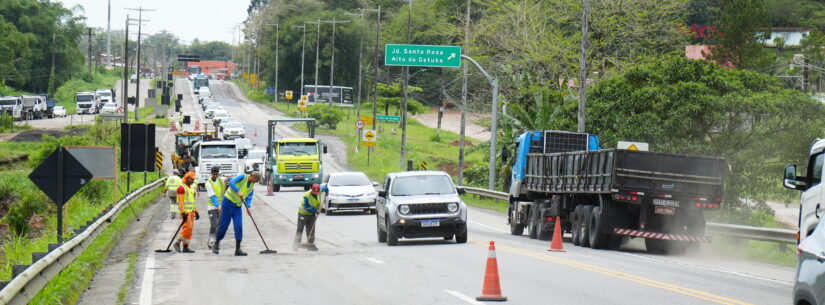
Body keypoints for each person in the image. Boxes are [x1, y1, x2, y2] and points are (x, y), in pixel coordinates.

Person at [213, 171, 261, 256]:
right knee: (224, 225)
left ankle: (238, 249)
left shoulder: (252, 186)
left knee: (238, 226)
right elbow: (231, 182)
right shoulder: (243, 177)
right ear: (253, 177)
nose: (256, 182)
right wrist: (238, 191)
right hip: (228, 203)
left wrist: (248, 207)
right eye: (256, 180)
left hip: (237, 207)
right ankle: (216, 243)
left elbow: (249, 197)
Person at [293, 183, 327, 251]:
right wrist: (315, 211)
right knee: (300, 229)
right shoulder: (307, 196)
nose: (315, 194)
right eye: (314, 192)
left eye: (317, 192)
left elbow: (325, 188)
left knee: (311, 230)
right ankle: (295, 245)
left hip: (312, 215)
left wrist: (327, 191)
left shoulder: (319, 190)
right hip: (303, 214)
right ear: (312, 190)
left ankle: (310, 245)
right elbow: (307, 206)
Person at [174, 172, 200, 253]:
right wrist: (182, 212)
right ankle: (177, 242)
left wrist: (196, 211)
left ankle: (185, 247)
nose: (193, 180)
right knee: (187, 228)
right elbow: (180, 202)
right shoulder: (181, 188)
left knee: (190, 230)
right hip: (185, 212)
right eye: (192, 179)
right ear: (187, 178)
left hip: (191, 211)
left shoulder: (191, 188)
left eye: (194, 179)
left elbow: (192, 200)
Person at [204, 166, 227, 249]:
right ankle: (211, 241)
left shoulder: (221, 181)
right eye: (213, 174)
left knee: (219, 225)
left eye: (216, 174)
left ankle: (217, 242)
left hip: (221, 206)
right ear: (211, 173)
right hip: (212, 207)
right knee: (214, 224)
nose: (215, 175)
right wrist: (218, 206)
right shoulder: (208, 183)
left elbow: (227, 182)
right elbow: (212, 196)